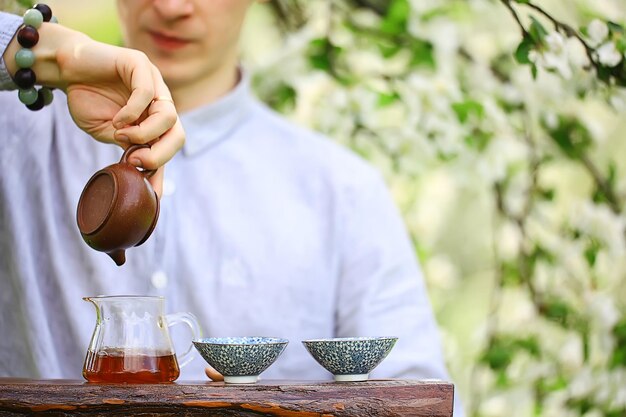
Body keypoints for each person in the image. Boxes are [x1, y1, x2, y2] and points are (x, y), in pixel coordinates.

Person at [1, 1, 463, 415]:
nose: (172, 6)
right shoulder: (17, 134)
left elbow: (416, 391)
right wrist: (53, 56)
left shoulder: (342, 191)